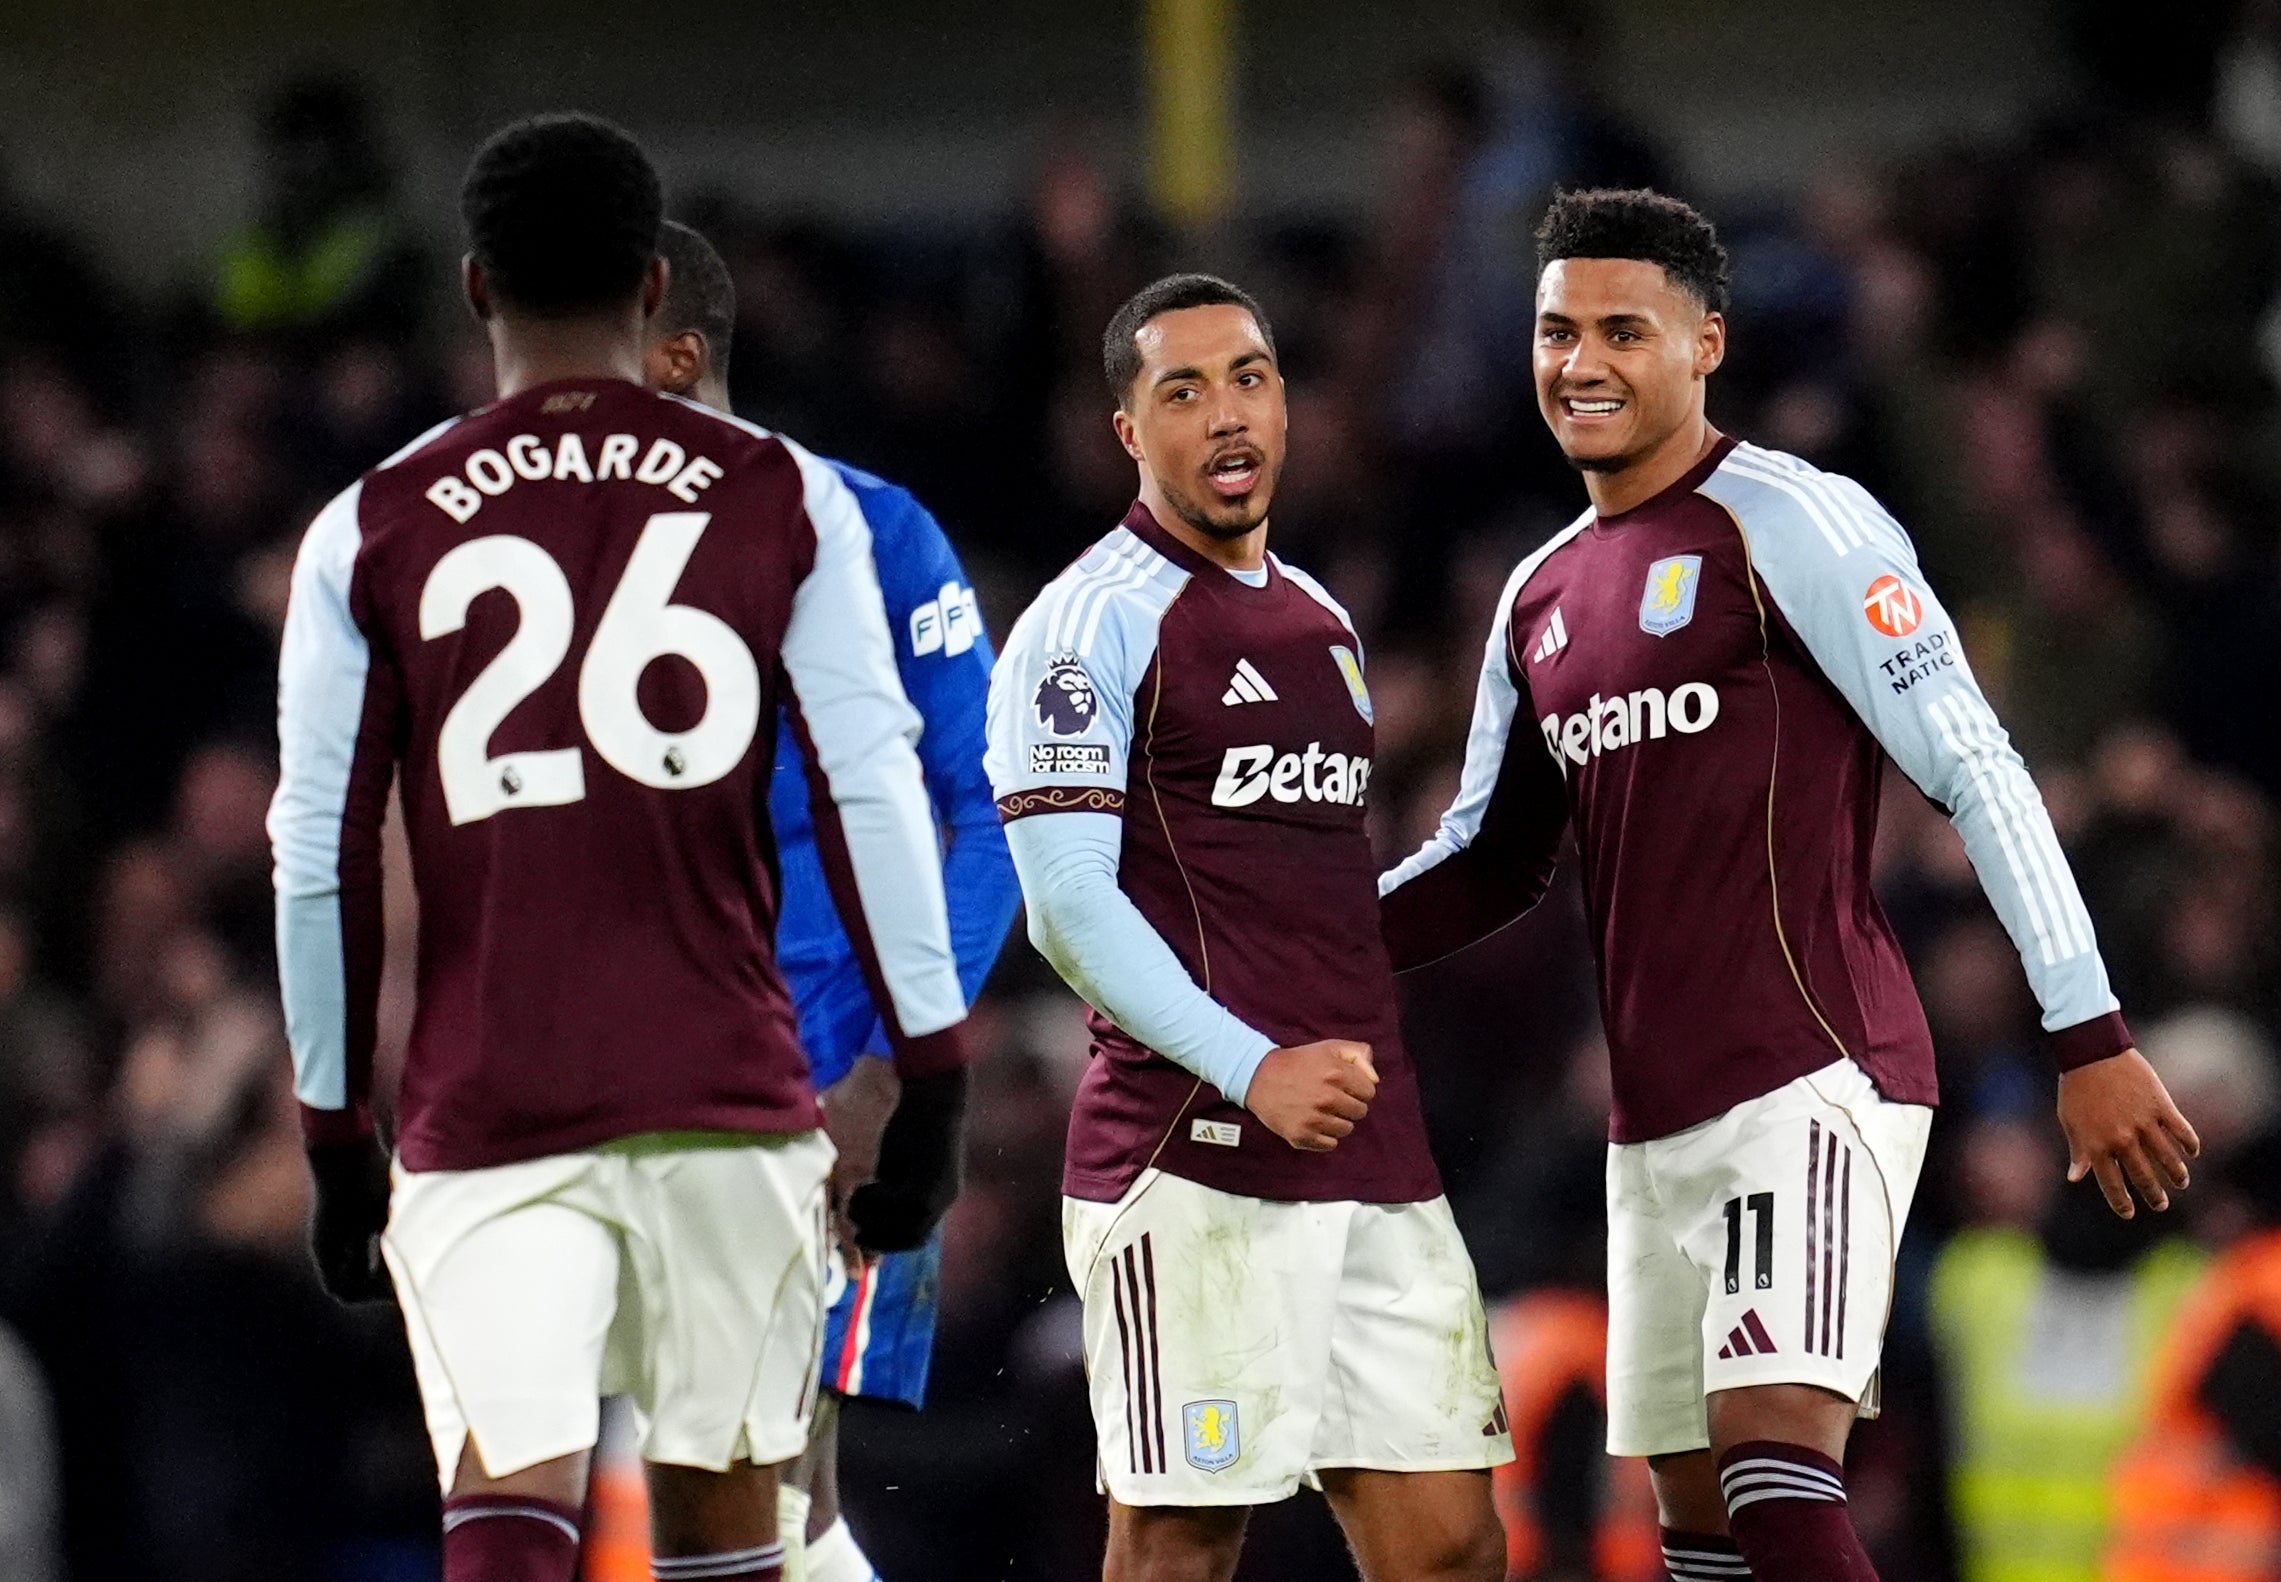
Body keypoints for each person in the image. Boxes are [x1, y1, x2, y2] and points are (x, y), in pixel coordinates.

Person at [1378, 188, 2200, 1582]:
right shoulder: (1537, 597)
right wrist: (1282, 939)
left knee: (1771, 1456)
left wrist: (2089, 1033)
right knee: (1698, 1533)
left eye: (1621, 330)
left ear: (1704, 341)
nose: (1579, 360)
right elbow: (1485, 858)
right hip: (1652, 1123)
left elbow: (1978, 766)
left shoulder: (1795, 522)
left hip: (1813, 1071)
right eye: (1554, 330)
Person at [267, 115, 971, 1582]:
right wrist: (933, 1075)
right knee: (738, 1534)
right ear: (654, 288)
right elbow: (873, 795)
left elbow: (318, 853)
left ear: (473, 291)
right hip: (728, 1086)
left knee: (511, 1519)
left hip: (494, 1094)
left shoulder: (367, 526)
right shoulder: (792, 498)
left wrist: (335, 1131)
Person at [983, 273, 1510, 1582]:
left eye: (1250, 379)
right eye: (1183, 389)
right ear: (1126, 429)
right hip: (1193, 1144)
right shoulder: (1083, 623)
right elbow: (1064, 906)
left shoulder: (1322, 624)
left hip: (1366, 1146)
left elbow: (1322, 904)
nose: (1226, 414)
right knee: (1179, 1543)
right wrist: (1251, 1064)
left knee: (1450, 1543)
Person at [629, 218, 1020, 1582]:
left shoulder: (870, 531)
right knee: (723, 1505)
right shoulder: (564, 584)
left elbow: (993, 813)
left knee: (764, 1493)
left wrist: (896, 1069)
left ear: (675, 359)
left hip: (824, 1082)